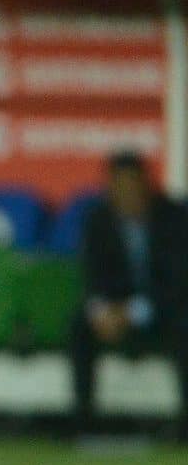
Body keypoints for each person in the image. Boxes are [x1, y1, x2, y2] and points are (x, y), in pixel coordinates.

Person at [70, 151, 188, 440]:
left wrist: (133, 311)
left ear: (144, 183)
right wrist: (101, 313)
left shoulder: (174, 218)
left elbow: (177, 282)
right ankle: (85, 421)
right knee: (78, 325)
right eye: (117, 185)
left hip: (163, 310)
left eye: (131, 184)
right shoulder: (98, 220)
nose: (125, 192)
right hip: (114, 312)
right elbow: (92, 277)